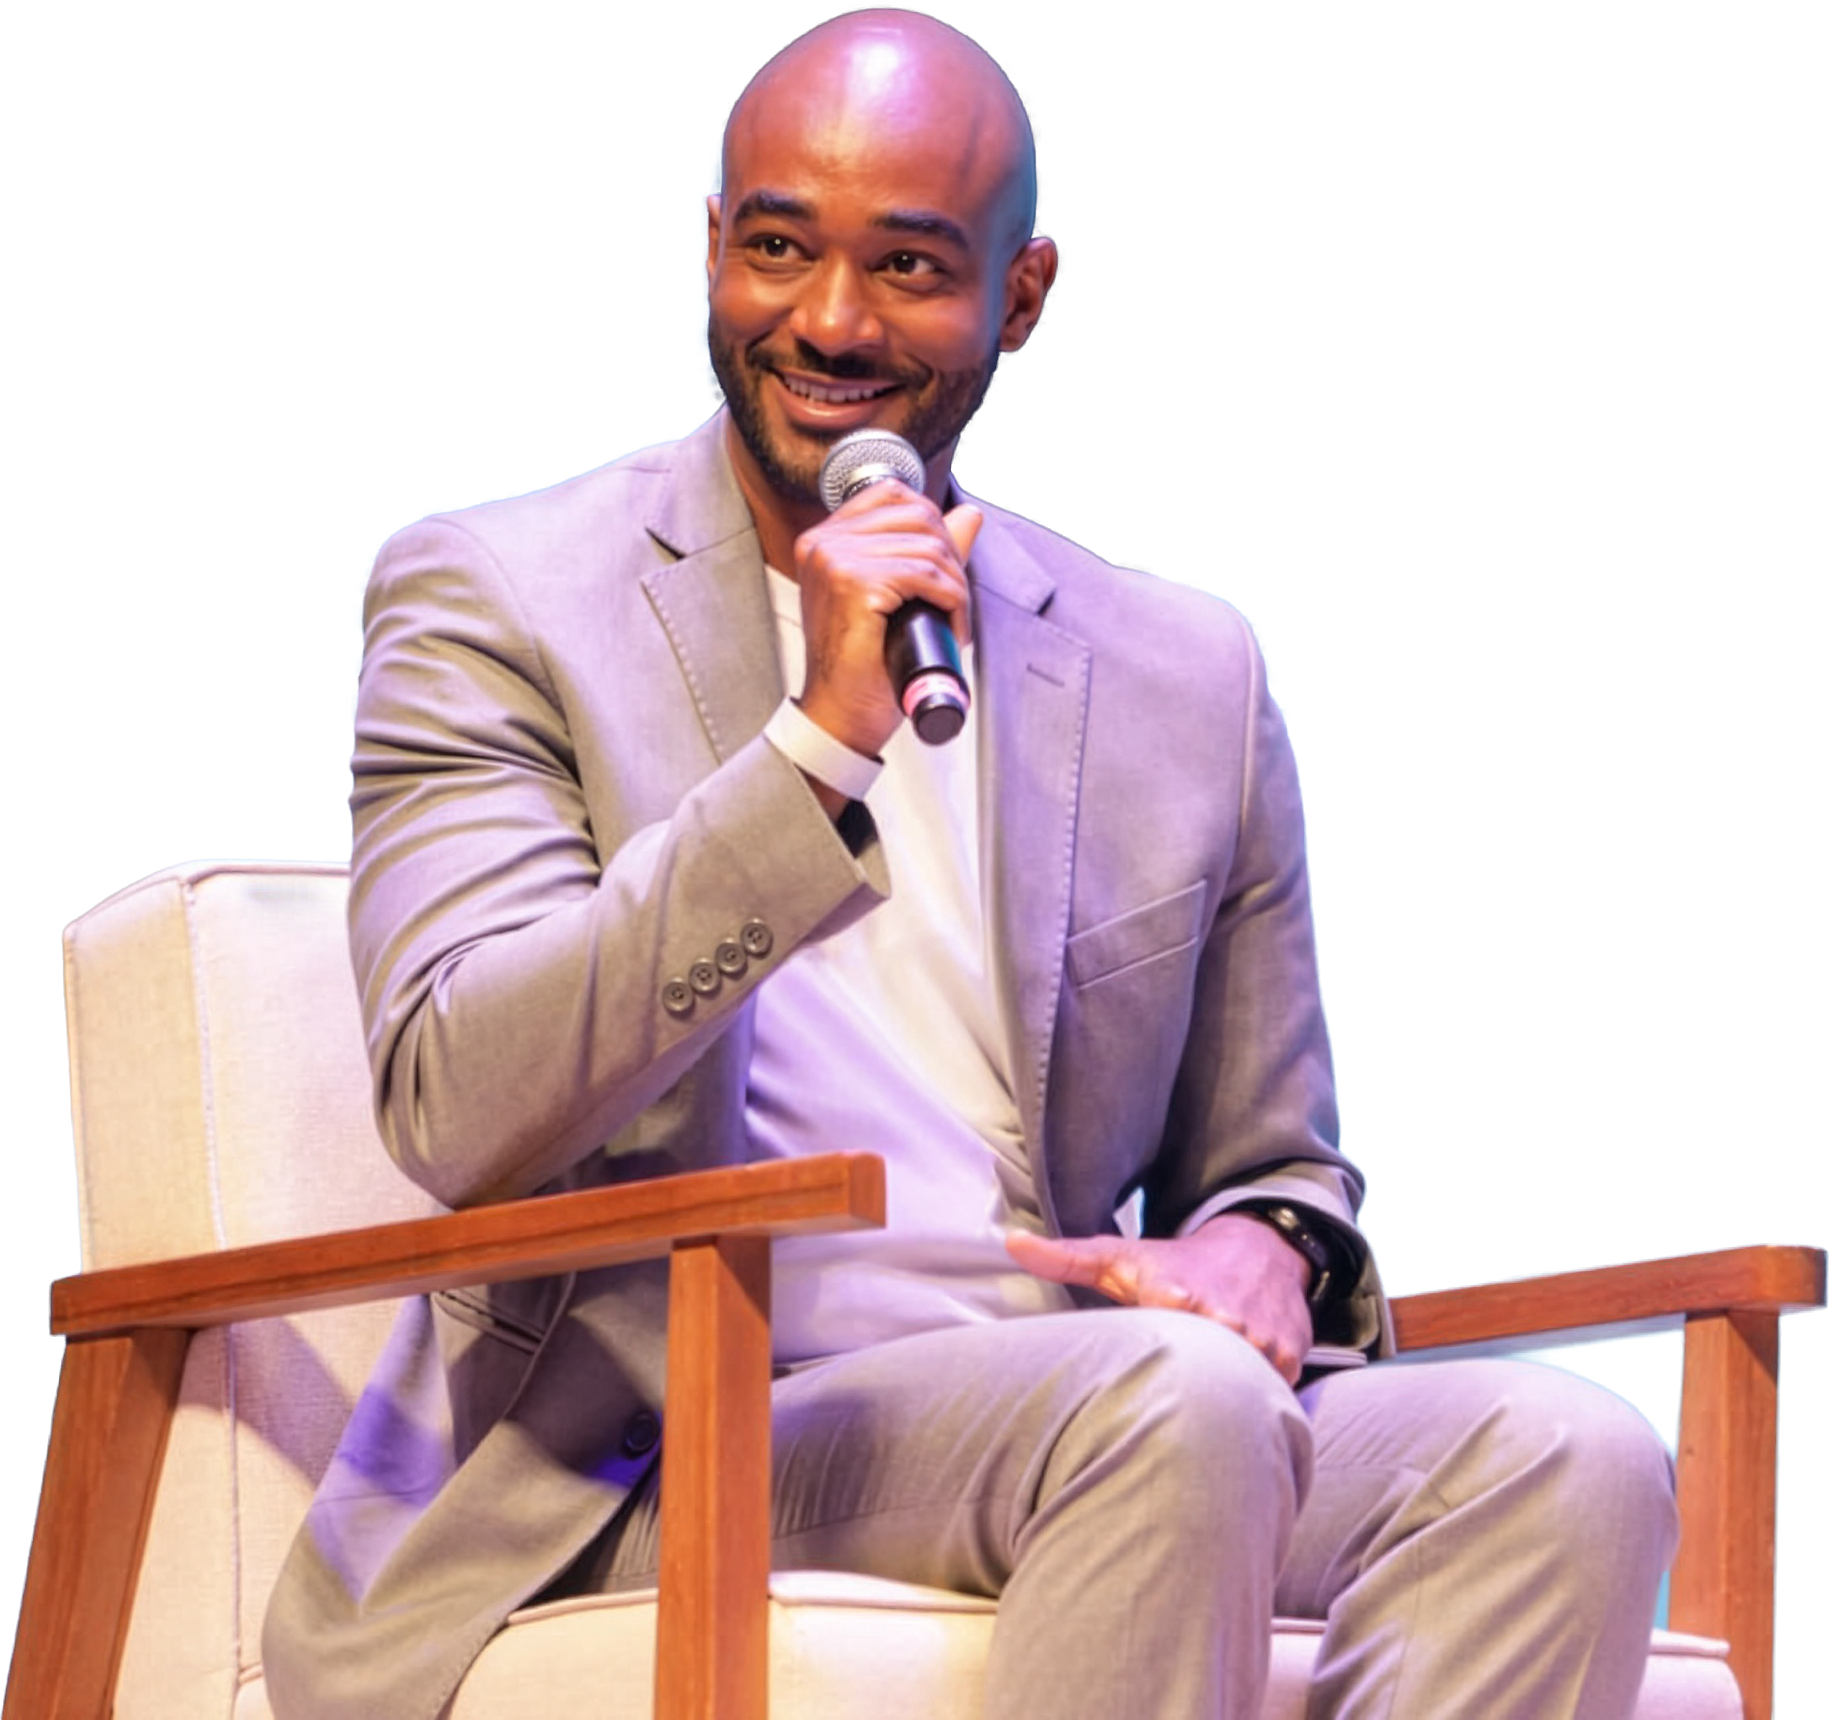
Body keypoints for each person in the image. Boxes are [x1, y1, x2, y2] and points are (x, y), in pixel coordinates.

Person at [263, 11, 1677, 1718]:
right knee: (1169, 1405)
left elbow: (1275, 1166)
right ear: (711, 249)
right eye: (777, 248)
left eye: (908, 267)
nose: (829, 321)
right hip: (660, 1444)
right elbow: (456, 1099)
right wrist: (815, 751)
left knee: (1566, 1456)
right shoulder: (501, 597)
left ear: (1018, 298)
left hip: (1067, 1394)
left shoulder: (1179, 671)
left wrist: (1266, 1248)